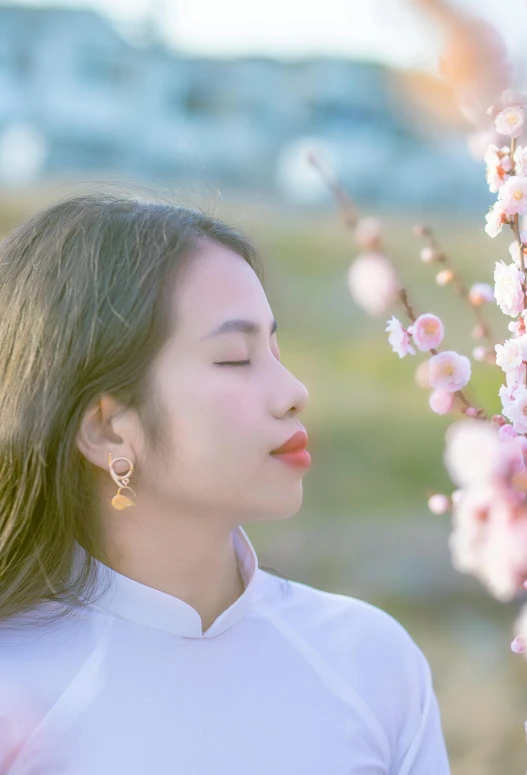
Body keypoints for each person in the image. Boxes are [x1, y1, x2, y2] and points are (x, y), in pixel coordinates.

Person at [0, 193, 451, 774]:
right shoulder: (17, 684)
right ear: (109, 429)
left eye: (275, 349)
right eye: (237, 358)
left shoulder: (369, 662)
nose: (293, 392)